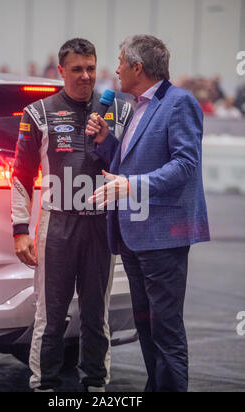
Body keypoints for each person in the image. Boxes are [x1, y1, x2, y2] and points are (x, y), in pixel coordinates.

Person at [86, 34, 210, 392]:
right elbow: (128, 165)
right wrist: (106, 141)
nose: (116, 69)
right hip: (134, 235)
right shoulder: (137, 107)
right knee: (147, 327)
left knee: (166, 329)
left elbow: (186, 164)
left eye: (121, 61)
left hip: (163, 236)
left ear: (138, 67)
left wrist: (132, 186)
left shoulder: (179, 103)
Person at [11, 38, 133, 392]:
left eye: (91, 68)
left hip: (100, 224)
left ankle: (96, 387)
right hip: (58, 225)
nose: (85, 76)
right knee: (50, 317)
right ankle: (44, 386)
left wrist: (108, 141)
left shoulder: (116, 112)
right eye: (77, 69)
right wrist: (20, 229)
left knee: (96, 315)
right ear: (61, 71)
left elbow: (128, 168)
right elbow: (20, 175)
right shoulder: (39, 112)